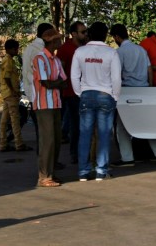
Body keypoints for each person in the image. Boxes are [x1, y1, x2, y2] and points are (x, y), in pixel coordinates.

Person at [109, 24, 156, 166]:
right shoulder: (140, 49)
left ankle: (127, 158)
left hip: (128, 91)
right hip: (144, 89)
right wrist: (150, 87)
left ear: (116, 37)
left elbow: (117, 74)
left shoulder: (119, 52)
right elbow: (149, 69)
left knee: (122, 127)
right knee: (146, 123)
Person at [71, 22, 121, 181]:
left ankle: (83, 172)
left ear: (89, 34)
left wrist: (80, 93)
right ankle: (101, 171)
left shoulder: (80, 51)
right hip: (106, 95)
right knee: (104, 135)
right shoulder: (111, 53)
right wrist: (115, 96)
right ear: (106, 35)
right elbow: (116, 78)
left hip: (86, 94)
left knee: (85, 134)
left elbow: (74, 76)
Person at [32, 29, 67, 187]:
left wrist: (56, 83)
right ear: (52, 42)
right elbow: (47, 83)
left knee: (56, 140)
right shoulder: (40, 59)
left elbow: (62, 82)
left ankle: (50, 173)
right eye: (59, 40)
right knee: (48, 140)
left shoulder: (56, 60)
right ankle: (44, 176)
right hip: (44, 105)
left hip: (56, 103)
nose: (61, 42)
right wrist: (57, 83)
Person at [56, 20, 88, 163]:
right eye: (83, 32)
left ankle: (83, 151)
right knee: (76, 124)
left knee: (85, 124)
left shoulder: (86, 47)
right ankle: (75, 153)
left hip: (86, 91)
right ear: (74, 34)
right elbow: (60, 70)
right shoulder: (65, 49)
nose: (85, 34)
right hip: (71, 92)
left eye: (86, 31)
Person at [22, 22, 55, 155]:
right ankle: (45, 165)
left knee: (42, 131)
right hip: (40, 95)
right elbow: (43, 75)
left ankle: (45, 162)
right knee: (45, 132)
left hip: (35, 93)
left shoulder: (31, 48)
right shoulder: (39, 50)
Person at [0, 39, 32, 152]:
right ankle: (19, 144)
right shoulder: (8, 61)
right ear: (8, 49)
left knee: (4, 120)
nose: (17, 50)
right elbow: (7, 77)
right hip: (10, 94)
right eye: (15, 48)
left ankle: (3, 144)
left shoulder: (7, 60)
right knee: (15, 119)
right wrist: (13, 90)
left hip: (6, 93)